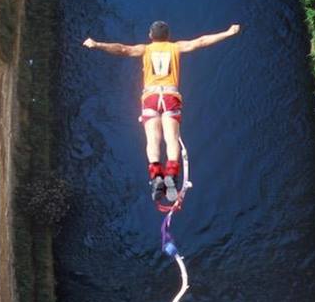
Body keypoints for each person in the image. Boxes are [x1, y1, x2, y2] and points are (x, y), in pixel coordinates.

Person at [83, 21, 241, 202]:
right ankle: (171, 177)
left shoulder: (145, 49)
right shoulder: (176, 47)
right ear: (168, 35)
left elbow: (122, 49)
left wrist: (97, 44)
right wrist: (228, 33)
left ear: (151, 36)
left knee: (153, 139)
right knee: (171, 138)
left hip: (150, 98)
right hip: (170, 97)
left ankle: (156, 177)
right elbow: (201, 41)